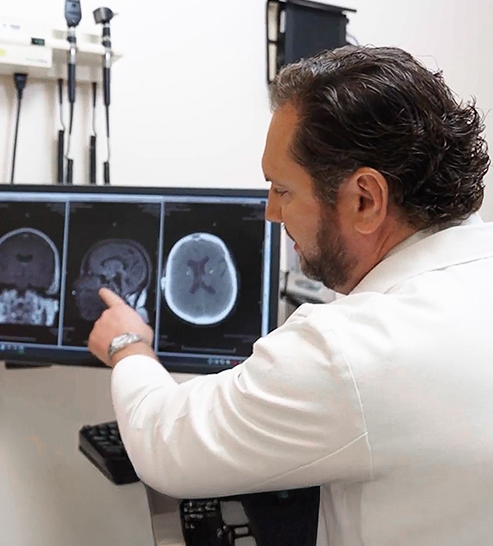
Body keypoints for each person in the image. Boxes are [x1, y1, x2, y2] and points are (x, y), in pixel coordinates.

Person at [88, 45, 493, 546]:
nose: (270, 214)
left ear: (365, 199)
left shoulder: (348, 351)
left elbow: (164, 443)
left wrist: (128, 346)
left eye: (282, 190)